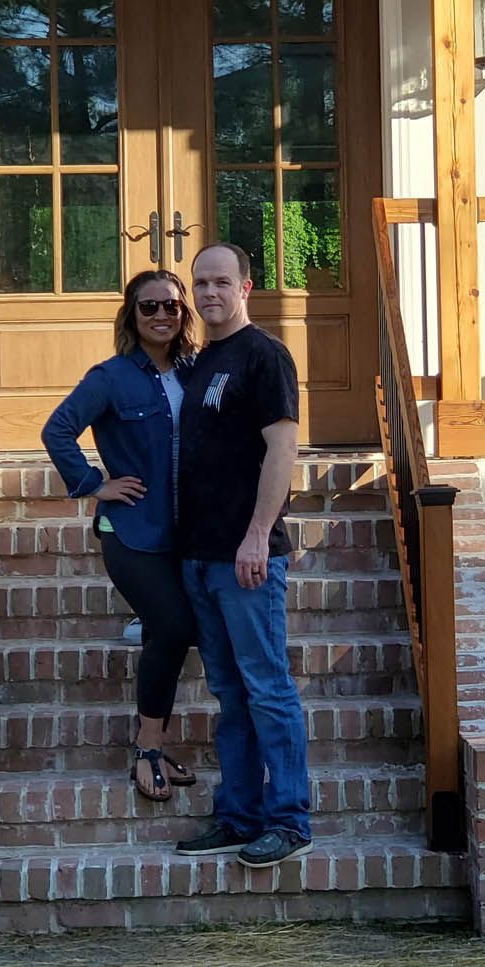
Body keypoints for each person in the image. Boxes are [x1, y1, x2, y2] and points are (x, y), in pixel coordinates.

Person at [172, 242, 312, 869]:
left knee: (268, 689)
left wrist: (258, 535)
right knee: (230, 692)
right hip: (200, 557)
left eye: (221, 282)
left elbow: (282, 453)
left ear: (246, 288)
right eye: (200, 284)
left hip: (246, 557)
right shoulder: (203, 361)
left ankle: (288, 819)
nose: (209, 294)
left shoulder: (264, 356)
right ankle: (238, 815)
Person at [41, 270, 200, 803]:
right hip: (130, 531)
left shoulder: (195, 372)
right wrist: (95, 484)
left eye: (171, 307)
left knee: (167, 633)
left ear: (183, 315)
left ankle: (154, 744)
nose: (161, 316)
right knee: (175, 627)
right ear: (132, 316)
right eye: (148, 307)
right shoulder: (109, 377)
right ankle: (147, 746)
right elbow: (57, 429)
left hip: (187, 530)